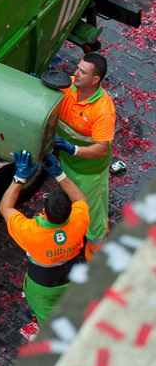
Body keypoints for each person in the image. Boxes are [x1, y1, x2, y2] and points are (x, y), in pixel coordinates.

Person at [0, 151, 90, 326]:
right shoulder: (79, 221)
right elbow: (80, 199)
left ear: (44, 210)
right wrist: (59, 173)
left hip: (42, 287)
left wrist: (19, 177)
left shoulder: (30, 231)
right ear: (70, 212)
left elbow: (5, 207)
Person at [52, 54, 116, 259]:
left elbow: (101, 149)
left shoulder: (103, 111)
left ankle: (96, 250)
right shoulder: (69, 86)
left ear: (95, 79)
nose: (75, 74)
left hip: (90, 172)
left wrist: (73, 149)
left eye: (82, 72)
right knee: (74, 201)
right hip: (69, 162)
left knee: (92, 211)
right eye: (77, 68)